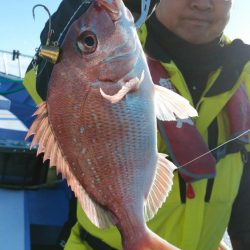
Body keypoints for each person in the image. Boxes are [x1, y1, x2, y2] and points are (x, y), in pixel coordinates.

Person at [24, 0, 250, 249]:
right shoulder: (122, 37)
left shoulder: (245, 73)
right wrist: (55, 50)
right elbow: (43, 85)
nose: (201, 3)